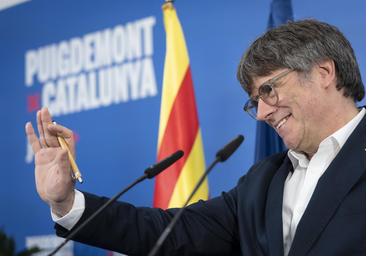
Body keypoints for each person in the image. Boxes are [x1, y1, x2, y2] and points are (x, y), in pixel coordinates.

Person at [26, 19, 366, 256]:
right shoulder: (262, 182)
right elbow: (169, 232)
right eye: (255, 101)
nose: (262, 113)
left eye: (269, 90)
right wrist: (65, 203)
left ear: (323, 72)